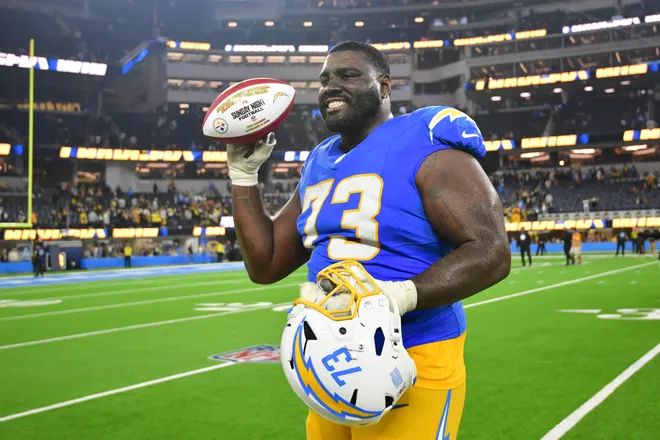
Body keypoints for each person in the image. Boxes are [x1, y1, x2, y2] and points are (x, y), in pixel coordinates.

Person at [225, 41, 511, 440]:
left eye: (348, 75)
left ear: (385, 86)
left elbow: (492, 252)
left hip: (414, 352)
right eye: (324, 80)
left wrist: (400, 296)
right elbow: (266, 263)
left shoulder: (425, 141)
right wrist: (244, 178)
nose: (330, 87)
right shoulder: (319, 161)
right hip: (328, 356)